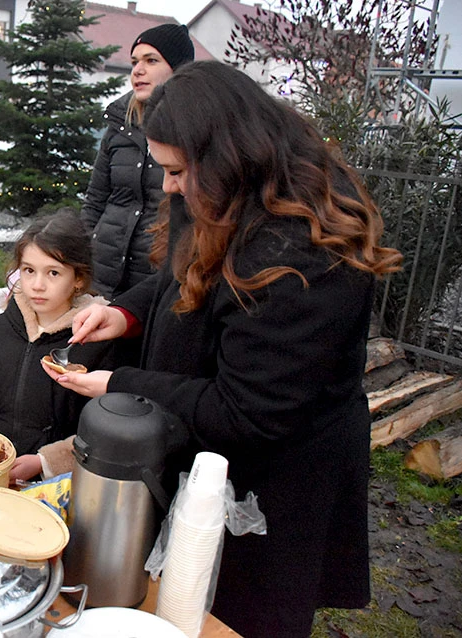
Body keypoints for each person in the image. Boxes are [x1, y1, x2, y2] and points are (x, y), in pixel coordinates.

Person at [46, 61, 402, 637]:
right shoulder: (219, 190)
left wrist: (120, 384)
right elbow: (179, 271)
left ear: (228, 156)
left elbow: (246, 413)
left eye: (176, 171)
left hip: (273, 487)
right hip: (203, 445)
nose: (167, 186)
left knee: (236, 616)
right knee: (176, 592)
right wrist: (126, 311)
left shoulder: (303, 256)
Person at [0, 211, 116, 465]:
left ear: (78, 279)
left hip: (56, 482)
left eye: (53, 273)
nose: (37, 285)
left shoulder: (97, 341)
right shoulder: (0, 328)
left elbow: (104, 426)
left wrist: (44, 462)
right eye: (29, 270)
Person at [82, 23, 194, 299]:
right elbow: (95, 201)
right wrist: (75, 258)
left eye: (151, 60)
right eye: (134, 62)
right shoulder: (120, 126)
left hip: (160, 280)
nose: (137, 70)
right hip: (104, 276)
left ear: (178, 69)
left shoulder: (194, 130)